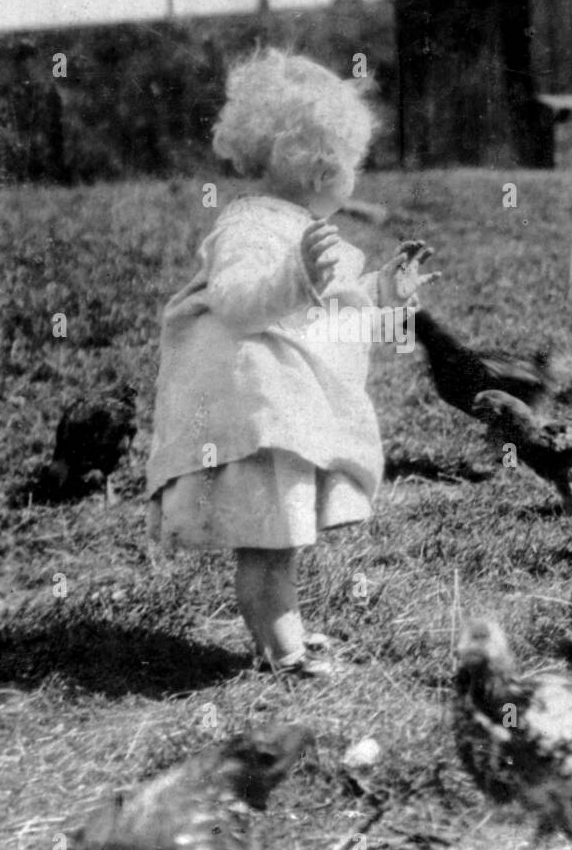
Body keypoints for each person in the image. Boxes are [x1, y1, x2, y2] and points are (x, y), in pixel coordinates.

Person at [147, 49, 436, 677]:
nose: (355, 178)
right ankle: (285, 656)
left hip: (282, 412)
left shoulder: (301, 231)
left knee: (281, 539)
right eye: (353, 165)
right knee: (270, 544)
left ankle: (286, 637)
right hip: (255, 414)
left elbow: (338, 316)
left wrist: (387, 292)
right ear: (319, 170)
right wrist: (295, 275)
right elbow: (238, 302)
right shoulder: (251, 229)